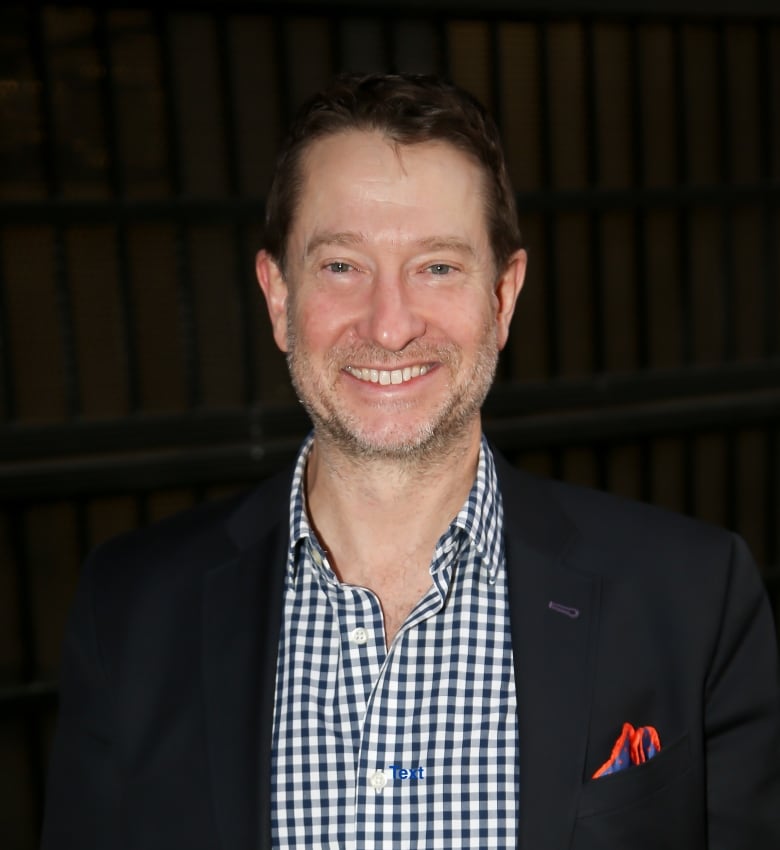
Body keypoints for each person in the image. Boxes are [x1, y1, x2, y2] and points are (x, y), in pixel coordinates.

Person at [41, 72, 779, 850]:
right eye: (340, 267)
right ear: (278, 297)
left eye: (437, 267)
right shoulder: (131, 611)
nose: (389, 326)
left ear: (503, 297)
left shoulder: (692, 598)